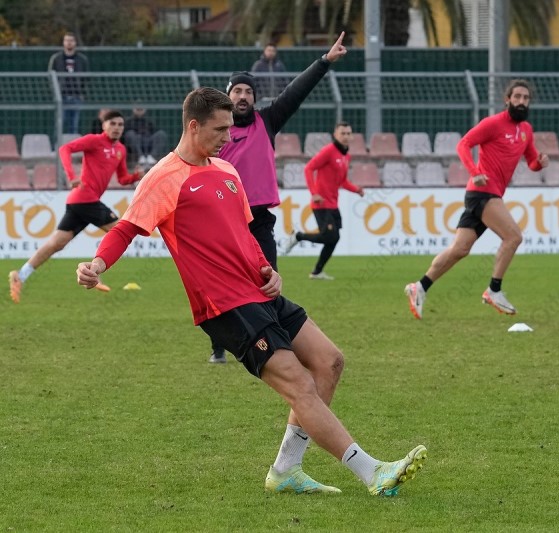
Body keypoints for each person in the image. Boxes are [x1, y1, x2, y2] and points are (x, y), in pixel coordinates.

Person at [75, 87, 427, 496]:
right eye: (220, 129)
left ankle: (286, 470)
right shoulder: (164, 177)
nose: (228, 137)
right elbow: (125, 229)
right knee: (299, 384)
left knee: (329, 362)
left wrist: (266, 269)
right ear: (194, 126)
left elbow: (242, 233)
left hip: (259, 291)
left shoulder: (227, 170)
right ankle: (373, 473)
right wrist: (97, 264)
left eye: (230, 129)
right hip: (224, 304)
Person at [207, 32, 347, 363]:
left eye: (248, 91)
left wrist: (324, 62)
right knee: (221, 286)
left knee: (269, 281)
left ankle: (275, 341)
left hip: (258, 220)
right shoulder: (215, 131)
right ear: (228, 95)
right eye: (237, 91)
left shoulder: (266, 121)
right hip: (224, 220)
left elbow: (296, 92)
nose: (243, 96)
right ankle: (218, 346)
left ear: (255, 97)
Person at [404, 79, 549, 319]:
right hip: (482, 192)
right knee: (513, 236)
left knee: (459, 249)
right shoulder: (493, 123)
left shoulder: (526, 130)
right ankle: (494, 290)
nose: (521, 101)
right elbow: (463, 144)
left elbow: (532, 161)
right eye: (517, 97)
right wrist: (474, 172)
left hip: (488, 194)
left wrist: (540, 163)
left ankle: (419, 287)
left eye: (526, 98)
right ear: (507, 99)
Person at [8, 111, 142, 303]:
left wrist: (136, 176)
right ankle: (93, 273)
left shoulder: (120, 149)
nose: (117, 128)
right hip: (84, 198)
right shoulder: (94, 141)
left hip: (80, 202)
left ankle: (20, 275)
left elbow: (122, 179)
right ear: (104, 126)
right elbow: (65, 149)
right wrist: (71, 175)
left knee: (57, 243)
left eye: (120, 125)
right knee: (120, 231)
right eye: (112, 123)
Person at [284, 122, 364, 280]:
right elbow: (308, 168)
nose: (346, 136)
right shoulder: (328, 151)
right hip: (321, 203)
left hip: (333, 203)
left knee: (334, 238)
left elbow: (343, 181)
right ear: (335, 134)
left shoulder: (346, 156)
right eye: (343, 133)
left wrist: (357, 189)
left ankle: (317, 272)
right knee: (329, 237)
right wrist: (314, 193)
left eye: (348, 133)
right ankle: (298, 236)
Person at [48, 32, 89, 134]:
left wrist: (82, 93)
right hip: (61, 96)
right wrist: (55, 93)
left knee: (74, 125)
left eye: (71, 40)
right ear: (63, 42)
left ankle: (73, 144)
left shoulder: (82, 59)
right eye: (67, 40)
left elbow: (86, 78)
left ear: (75, 43)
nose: (69, 43)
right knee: (59, 124)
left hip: (76, 96)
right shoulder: (56, 58)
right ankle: (57, 144)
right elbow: (51, 76)